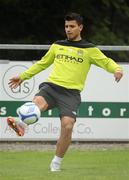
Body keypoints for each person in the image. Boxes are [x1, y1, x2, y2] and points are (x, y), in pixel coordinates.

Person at [7, 12, 123, 171]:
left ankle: (56, 162)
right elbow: (42, 64)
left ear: (80, 28)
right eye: (66, 26)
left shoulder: (89, 49)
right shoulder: (57, 45)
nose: (68, 29)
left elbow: (106, 62)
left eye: (72, 26)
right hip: (52, 87)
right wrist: (22, 76)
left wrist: (117, 69)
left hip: (71, 93)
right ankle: (21, 124)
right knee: (36, 105)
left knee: (67, 126)